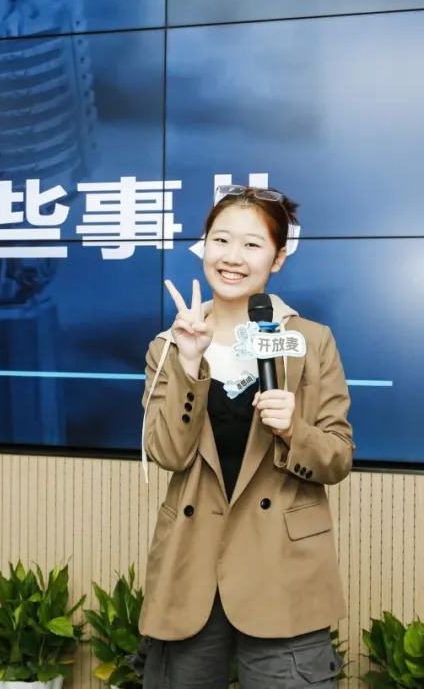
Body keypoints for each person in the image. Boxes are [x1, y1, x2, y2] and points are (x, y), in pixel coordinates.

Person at [135, 185, 355, 688]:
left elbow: (337, 458)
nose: (232, 257)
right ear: (204, 246)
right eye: (221, 240)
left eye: (252, 245)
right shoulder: (168, 347)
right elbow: (167, 454)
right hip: (191, 569)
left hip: (282, 569)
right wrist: (190, 365)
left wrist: (294, 429)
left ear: (277, 258)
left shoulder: (310, 340)